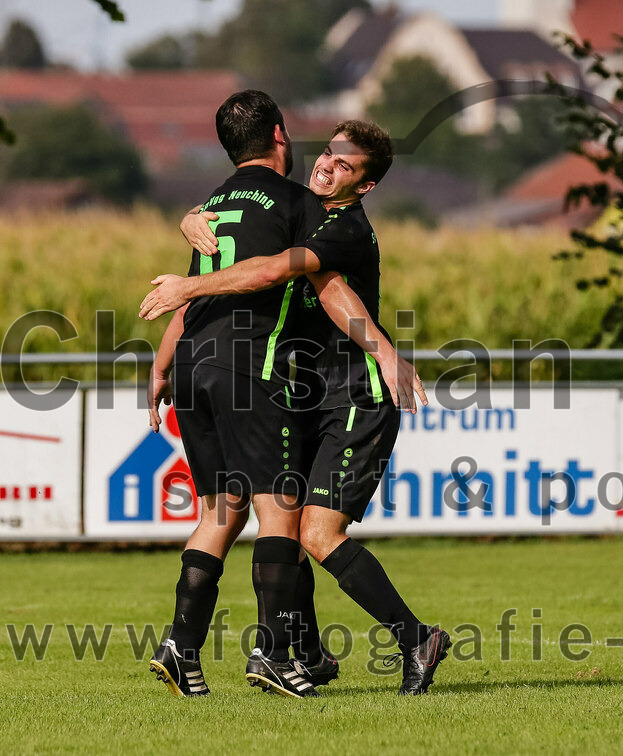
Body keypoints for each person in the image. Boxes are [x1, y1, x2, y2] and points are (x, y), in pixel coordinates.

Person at [141, 120, 451, 695]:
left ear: (365, 186)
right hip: (305, 394)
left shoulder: (343, 226)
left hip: (355, 392)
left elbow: (273, 270)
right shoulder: (304, 207)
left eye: (346, 167)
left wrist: (386, 353)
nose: (328, 166)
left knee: (311, 531)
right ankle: (301, 653)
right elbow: (235, 231)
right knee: (281, 521)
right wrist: (189, 219)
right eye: (329, 154)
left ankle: (416, 639)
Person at [147, 90, 330, 698]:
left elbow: (190, 291)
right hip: (249, 367)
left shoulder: (213, 208)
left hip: (194, 365)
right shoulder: (296, 202)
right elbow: (288, 272)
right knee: (280, 506)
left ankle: (181, 647)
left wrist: (160, 367)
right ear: (280, 134)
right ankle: (276, 654)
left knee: (220, 508)